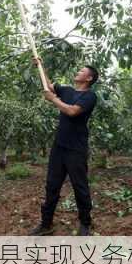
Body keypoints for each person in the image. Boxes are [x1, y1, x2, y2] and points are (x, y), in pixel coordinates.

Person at [29, 59, 98, 236]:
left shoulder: (89, 96)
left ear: (89, 78)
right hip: (59, 147)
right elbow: (48, 85)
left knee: (79, 186)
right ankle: (46, 224)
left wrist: (53, 100)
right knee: (52, 186)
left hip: (76, 149)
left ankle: (85, 224)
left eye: (82, 71)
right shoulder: (66, 90)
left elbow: (72, 111)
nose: (78, 71)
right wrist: (40, 65)